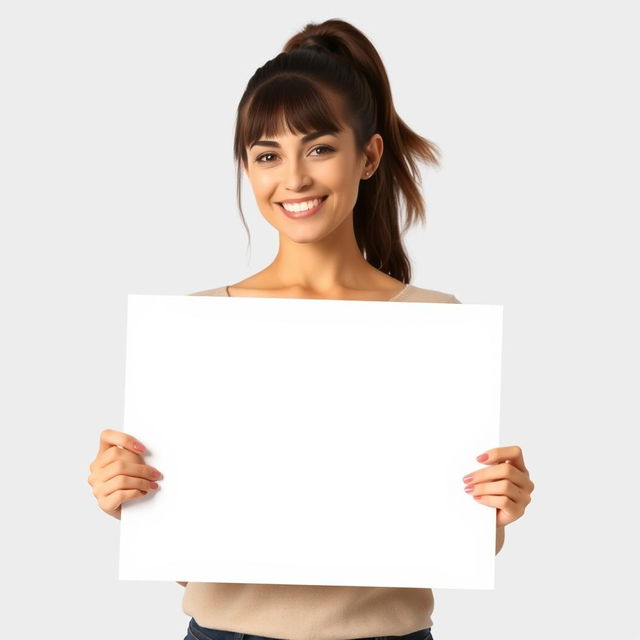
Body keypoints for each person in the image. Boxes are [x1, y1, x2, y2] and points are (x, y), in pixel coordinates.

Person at [87, 18, 535, 640]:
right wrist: (128, 498)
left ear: (369, 156)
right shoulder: (199, 329)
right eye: (268, 155)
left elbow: (449, 540)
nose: (293, 178)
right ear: (247, 168)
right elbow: (191, 557)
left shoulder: (434, 326)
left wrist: (496, 510)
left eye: (319, 148)